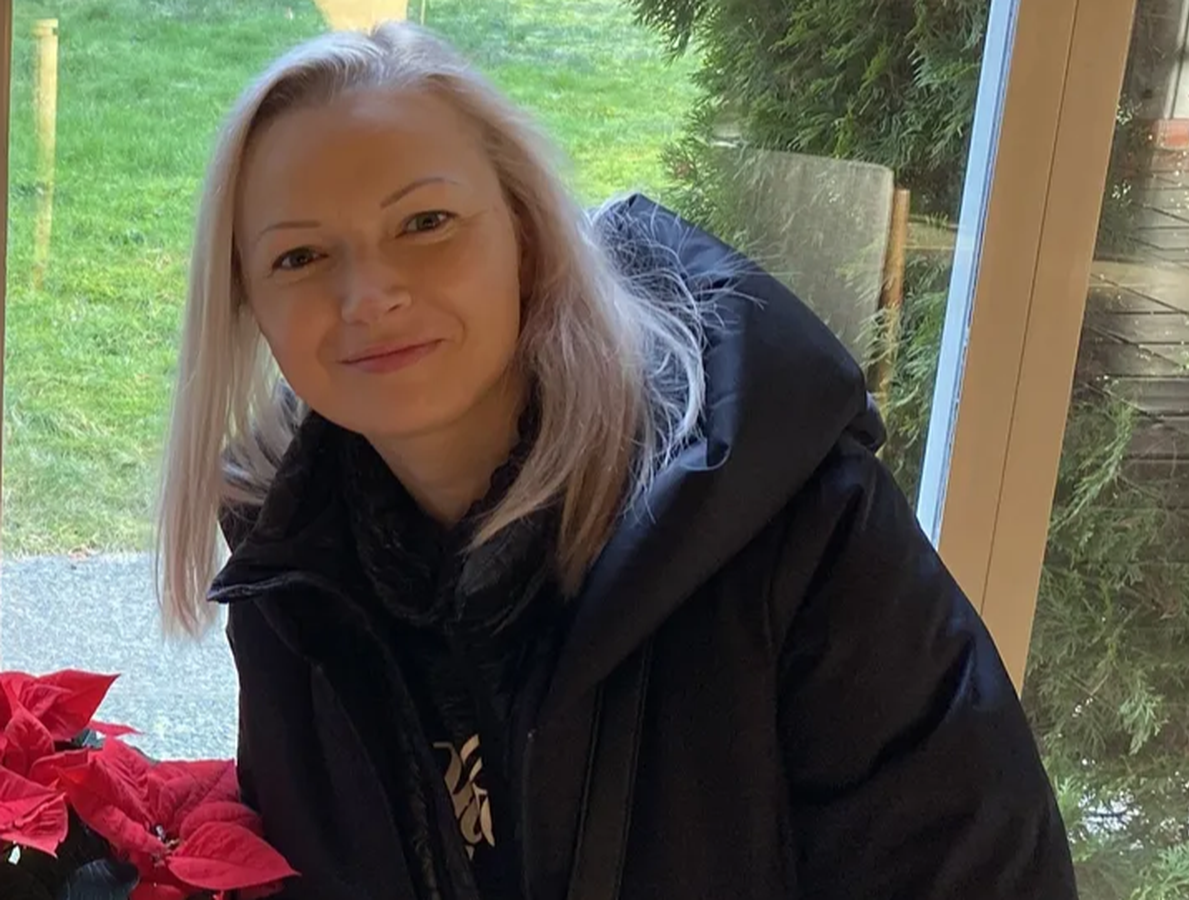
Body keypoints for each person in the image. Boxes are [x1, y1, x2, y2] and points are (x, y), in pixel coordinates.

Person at [156, 21, 1078, 900]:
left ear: (526, 235)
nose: (369, 296)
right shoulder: (291, 576)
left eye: (426, 222)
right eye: (300, 257)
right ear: (250, 307)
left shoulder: (795, 531)